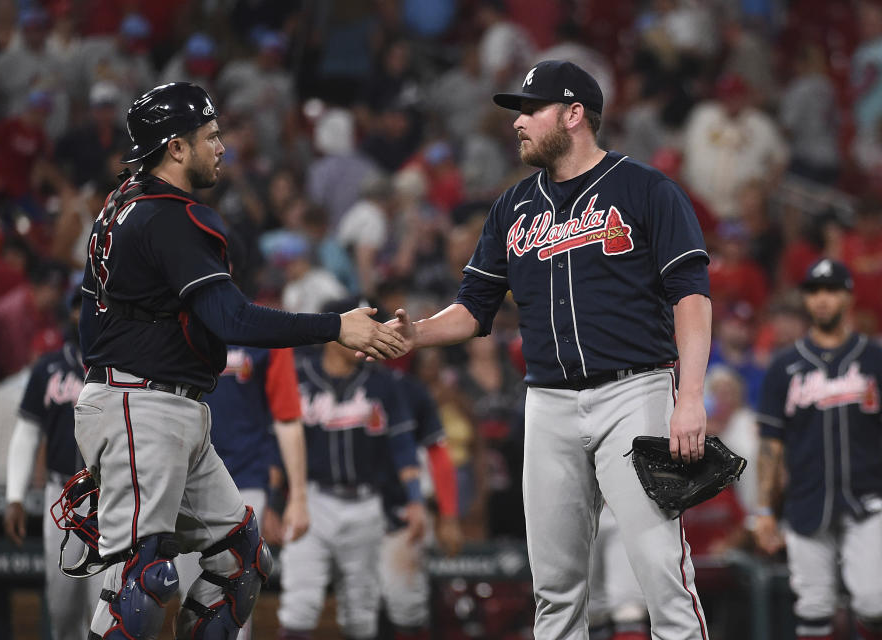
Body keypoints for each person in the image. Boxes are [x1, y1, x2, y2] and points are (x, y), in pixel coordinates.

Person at [383, 60, 714, 639]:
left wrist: (690, 399)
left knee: (663, 573)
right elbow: (473, 309)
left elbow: (691, 295)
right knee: (555, 589)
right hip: (548, 404)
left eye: (531, 109)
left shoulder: (645, 189)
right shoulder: (513, 206)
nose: (518, 122)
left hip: (634, 393)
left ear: (574, 114)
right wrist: (416, 333)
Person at [73, 82, 405, 640]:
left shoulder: (122, 205)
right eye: (210, 136)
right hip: (140, 403)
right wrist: (336, 326)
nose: (222, 147)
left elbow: (93, 323)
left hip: (159, 401)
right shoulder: (166, 215)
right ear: (176, 148)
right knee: (144, 581)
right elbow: (234, 320)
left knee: (242, 562)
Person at [277, 299, 425, 640]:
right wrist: (275, 500)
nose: (369, 335)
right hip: (312, 501)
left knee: (361, 614)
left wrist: (415, 500)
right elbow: (276, 446)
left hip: (366, 503)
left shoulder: (383, 381)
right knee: (299, 606)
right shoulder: (299, 374)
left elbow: (403, 446)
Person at [754, 258, 882, 640]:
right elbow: (770, 445)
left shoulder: (874, 359)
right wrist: (764, 510)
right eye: (814, 292)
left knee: (875, 601)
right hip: (807, 500)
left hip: (870, 498)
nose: (822, 300)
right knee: (813, 609)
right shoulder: (785, 366)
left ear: (847, 296)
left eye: (830, 291)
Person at [173, 343, 310, 640]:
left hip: (245, 480)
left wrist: (289, 496)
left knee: (232, 602)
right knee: (189, 601)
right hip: (184, 478)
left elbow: (285, 416)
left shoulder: (263, 333)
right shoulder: (174, 325)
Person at [4, 292, 101, 640]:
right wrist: (15, 495)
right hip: (61, 494)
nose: (83, 313)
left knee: (103, 608)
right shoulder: (49, 367)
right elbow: (27, 432)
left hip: (110, 495)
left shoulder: (123, 364)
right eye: (78, 306)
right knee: (61, 607)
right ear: (70, 313)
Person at [378, 368, 462, 640]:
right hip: (345, 502)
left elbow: (438, 454)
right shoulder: (319, 375)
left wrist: (448, 516)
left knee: (406, 604)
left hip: (404, 509)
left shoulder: (410, 389)